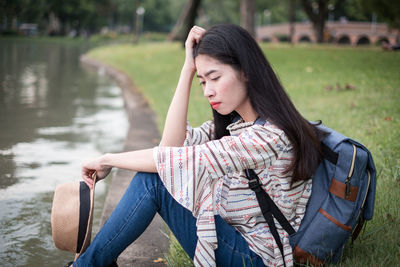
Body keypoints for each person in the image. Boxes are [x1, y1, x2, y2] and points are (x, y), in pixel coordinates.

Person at [74, 24, 323, 267]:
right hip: (236, 237)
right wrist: (187, 69)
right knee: (155, 178)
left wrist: (106, 160)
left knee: (153, 182)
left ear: (245, 71)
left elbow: (171, 162)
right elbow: (171, 148)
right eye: (203, 82)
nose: (207, 92)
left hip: (257, 257)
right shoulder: (238, 125)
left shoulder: (270, 136)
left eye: (214, 78)